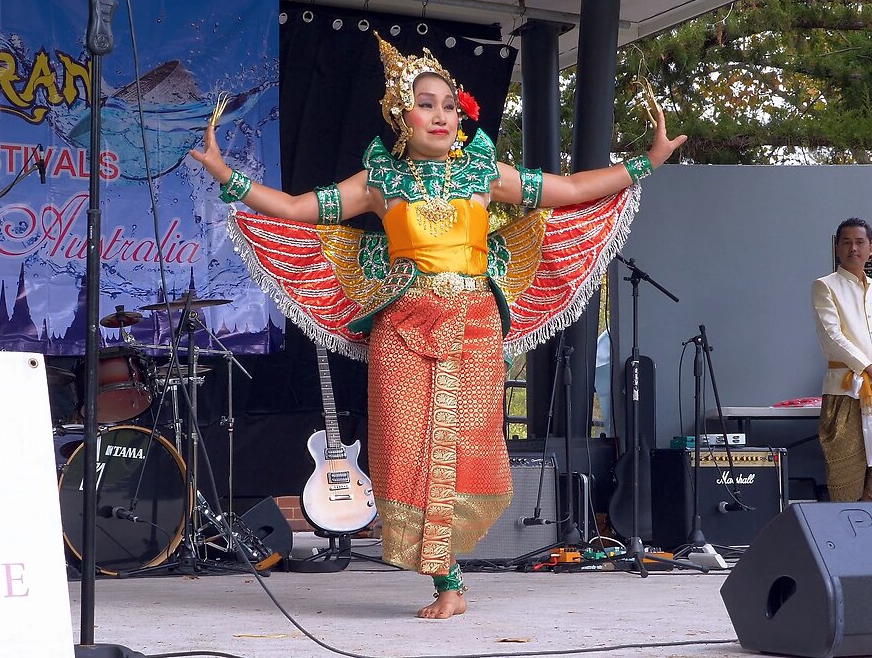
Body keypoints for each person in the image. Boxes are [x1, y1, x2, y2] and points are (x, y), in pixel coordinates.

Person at [190, 34, 686, 618]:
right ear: (403, 112)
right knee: (407, 453)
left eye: (450, 105)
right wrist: (230, 178)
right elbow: (301, 210)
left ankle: (449, 583)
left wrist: (644, 162)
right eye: (427, 103)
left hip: (473, 326)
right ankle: (443, 579)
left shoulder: (483, 174)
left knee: (465, 452)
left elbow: (572, 189)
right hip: (401, 328)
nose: (442, 115)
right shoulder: (380, 181)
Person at [811, 218, 872, 502]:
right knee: (844, 460)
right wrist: (868, 368)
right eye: (847, 242)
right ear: (837, 248)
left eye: (860, 242)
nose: (854, 248)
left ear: (871, 248)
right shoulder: (825, 286)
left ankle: (868, 523)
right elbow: (831, 335)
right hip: (846, 388)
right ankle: (845, 525)